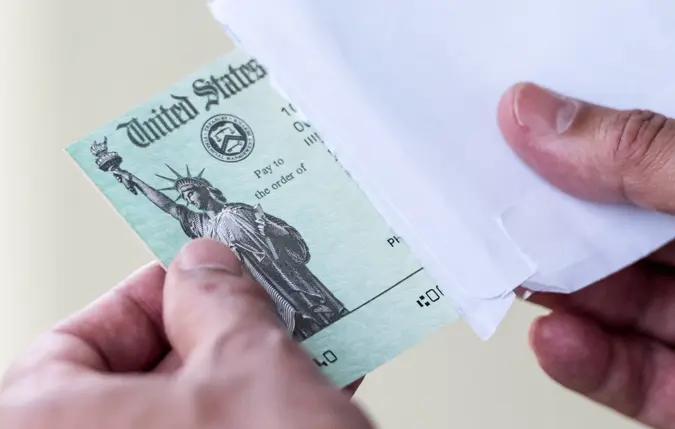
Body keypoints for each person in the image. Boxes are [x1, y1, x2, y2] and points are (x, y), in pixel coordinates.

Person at [2, 81, 675, 428]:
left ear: (210, 183)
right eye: (188, 190)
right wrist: (125, 173)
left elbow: (295, 239)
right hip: (277, 294)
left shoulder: (239, 211)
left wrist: (278, 248)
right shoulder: (199, 220)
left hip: (301, 284)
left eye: (197, 183)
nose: (193, 189)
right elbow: (157, 195)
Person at [112, 165, 349, 341]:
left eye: (191, 193)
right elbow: (170, 207)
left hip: (285, 274)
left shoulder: (241, 210)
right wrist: (132, 178)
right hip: (259, 285)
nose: (189, 200)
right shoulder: (202, 225)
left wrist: (272, 230)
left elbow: (287, 236)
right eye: (186, 198)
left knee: (325, 319)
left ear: (204, 189)